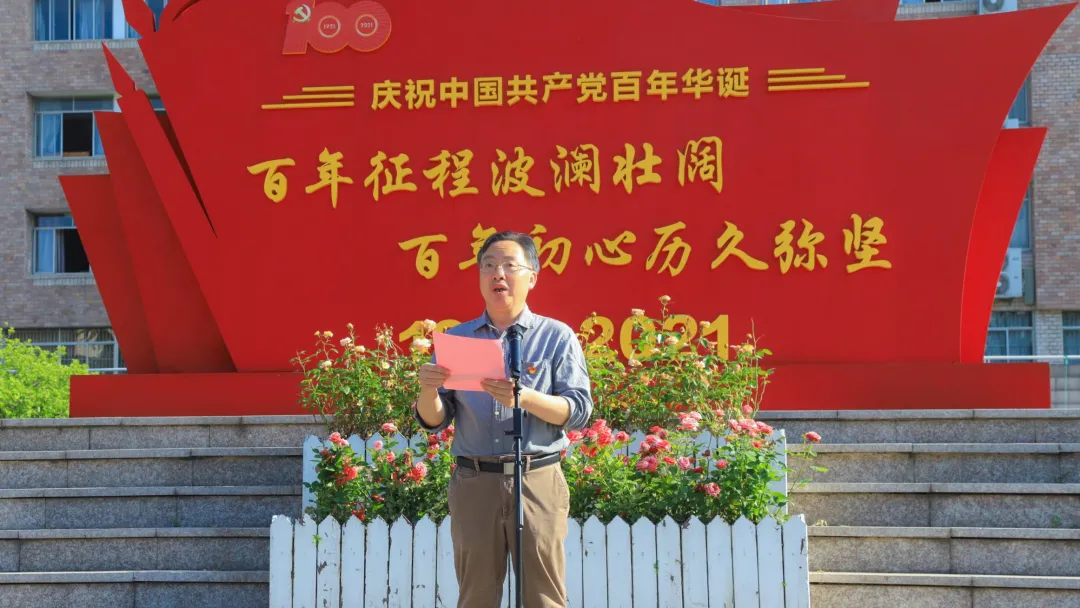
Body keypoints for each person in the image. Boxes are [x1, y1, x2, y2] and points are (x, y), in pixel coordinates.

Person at [412, 231, 593, 608]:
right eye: (489, 266)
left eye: (510, 265)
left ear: (532, 277)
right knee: (476, 596)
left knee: (544, 597)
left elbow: (578, 411)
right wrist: (428, 390)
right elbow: (435, 420)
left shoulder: (556, 337)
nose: (498, 274)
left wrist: (523, 398)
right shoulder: (458, 340)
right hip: (475, 480)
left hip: (537, 478)